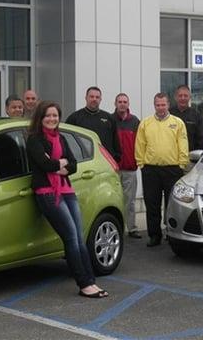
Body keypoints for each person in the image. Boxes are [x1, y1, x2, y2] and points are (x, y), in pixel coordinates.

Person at [26, 101, 109, 298]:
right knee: (71, 237)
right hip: (47, 193)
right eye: (48, 115)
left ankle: (91, 282)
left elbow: (73, 165)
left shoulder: (61, 138)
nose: (52, 119)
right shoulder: (34, 140)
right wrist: (57, 164)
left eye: (55, 115)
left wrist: (58, 164)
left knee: (79, 236)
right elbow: (45, 165)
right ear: (40, 117)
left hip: (66, 190)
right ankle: (84, 284)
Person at [135, 93, 189, 247]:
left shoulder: (177, 123)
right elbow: (140, 144)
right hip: (150, 170)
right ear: (154, 106)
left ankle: (171, 233)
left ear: (168, 105)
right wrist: (141, 164)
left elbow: (183, 144)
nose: (160, 107)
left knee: (172, 204)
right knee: (152, 204)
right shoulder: (146, 123)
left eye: (163, 104)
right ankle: (154, 235)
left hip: (172, 169)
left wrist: (182, 164)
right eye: (158, 105)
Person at [66, 86, 121, 162]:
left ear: (100, 99)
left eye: (97, 97)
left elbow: (116, 142)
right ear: (86, 98)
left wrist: (116, 158)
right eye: (91, 97)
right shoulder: (74, 118)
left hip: (106, 162)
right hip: (83, 161)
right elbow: (67, 140)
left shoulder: (109, 118)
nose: (94, 99)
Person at [113, 93, 141, 239]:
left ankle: (132, 228)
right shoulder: (110, 120)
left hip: (129, 168)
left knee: (129, 200)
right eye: (120, 101)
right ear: (115, 103)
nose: (122, 104)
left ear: (128, 104)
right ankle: (117, 228)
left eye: (125, 101)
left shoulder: (135, 121)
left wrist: (137, 161)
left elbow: (140, 143)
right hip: (113, 169)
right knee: (114, 200)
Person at [170, 85, 203, 151]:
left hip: (190, 156)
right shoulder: (169, 114)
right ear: (175, 97)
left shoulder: (196, 116)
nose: (183, 98)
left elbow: (202, 139)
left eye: (185, 96)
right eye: (180, 95)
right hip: (171, 156)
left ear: (190, 97)